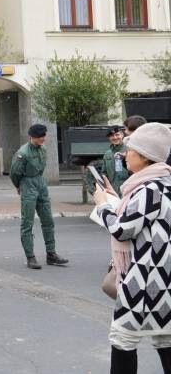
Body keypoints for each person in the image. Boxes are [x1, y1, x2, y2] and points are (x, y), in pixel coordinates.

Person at [92, 122, 171, 374]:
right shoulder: (160, 183)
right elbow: (138, 220)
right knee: (164, 337)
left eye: (131, 150)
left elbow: (122, 229)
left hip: (145, 280)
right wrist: (116, 201)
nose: (125, 155)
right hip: (161, 279)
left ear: (145, 156)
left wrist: (103, 205)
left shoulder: (150, 189)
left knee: (123, 339)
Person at [9, 123, 69, 270]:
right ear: (32, 136)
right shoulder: (23, 153)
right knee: (27, 223)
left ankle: (51, 254)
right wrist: (19, 186)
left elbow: (41, 168)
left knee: (48, 220)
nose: (43, 139)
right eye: (39, 137)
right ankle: (30, 257)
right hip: (28, 184)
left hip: (41, 184)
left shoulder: (43, 149)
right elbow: (14, 173)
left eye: (44, 136)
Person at [85, 126, 129, 197]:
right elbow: (104, 173)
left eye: (117, 135)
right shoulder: (107, 154)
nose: (115, 138)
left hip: (127, 190)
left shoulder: (129, 150)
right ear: (109, 138)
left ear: (122, 135)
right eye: (112, 136)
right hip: (113, 190)